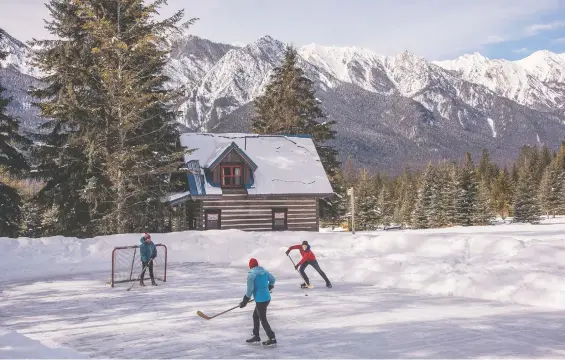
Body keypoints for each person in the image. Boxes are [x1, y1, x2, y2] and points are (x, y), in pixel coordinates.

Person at [239, 258, 277, 347]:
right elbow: (273, 279)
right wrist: (269, 287)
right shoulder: (264, 272)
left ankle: (272, 338)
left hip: (261, 300)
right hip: (267, 298)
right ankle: (256, 336)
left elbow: (250, 290)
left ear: (250, 266)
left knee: (262, 319)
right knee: (255, 316)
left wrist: (244, 301)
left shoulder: (251, 275)